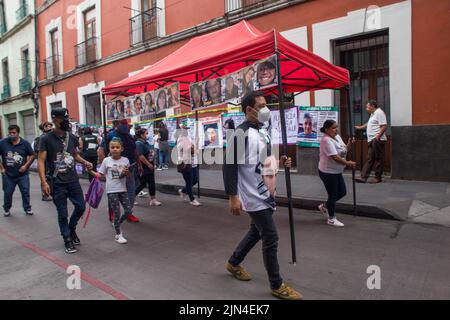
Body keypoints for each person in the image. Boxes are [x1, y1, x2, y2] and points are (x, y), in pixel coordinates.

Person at [223, 92, 302, 300]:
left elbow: (263, 157)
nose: (266, 108)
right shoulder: (240, 134)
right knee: (271, 237)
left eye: (266, 104)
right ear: (249, 109)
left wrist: (280, 160)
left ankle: (233, 262)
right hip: (252, 194)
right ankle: (276, 285)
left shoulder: (263, 129)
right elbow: (229, 166)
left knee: (256, 232)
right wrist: (233, 196)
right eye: (261, 105)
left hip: (267, 191)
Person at [38, 108, 93, 254]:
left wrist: (84, 162)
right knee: (62, 213)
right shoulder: (46, 139)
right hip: (57, 182)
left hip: (73, 180)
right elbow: (41, 161)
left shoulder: (72, 137)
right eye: (63, 119)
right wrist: (43, 182)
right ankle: (67, 238)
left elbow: (74, 154)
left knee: (81, 207)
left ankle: (72, 228)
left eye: (67, 118)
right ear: (55, 120)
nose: (66, 121)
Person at [93, 138, 132, 244]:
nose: (115, 149)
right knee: (117, 212)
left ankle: (117, 223)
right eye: (112, 147)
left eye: (117, 147)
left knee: (129, 211)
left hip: (123, 189)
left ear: (122, 149)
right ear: (109, 149)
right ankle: (118, 235)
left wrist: (127, 172)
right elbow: (100, 175)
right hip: (111, 190)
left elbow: (128, 176)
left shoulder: (126, 160)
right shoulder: (106, 161)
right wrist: (91, 171)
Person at [317, 120, 356, 227]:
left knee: (342, 192)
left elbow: (343, 150)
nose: (336, 129)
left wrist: (349, 143)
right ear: (327, 129)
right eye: (333, 128)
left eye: (336, 127)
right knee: (333, 195)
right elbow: (334, 157)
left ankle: (325, 206)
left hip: (337, 171)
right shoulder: (325, 140)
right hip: (328, 171)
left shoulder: (337, 137)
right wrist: (348, 163)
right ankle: (331, 218)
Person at [0, 125, 35, 217]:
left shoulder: (25, 143)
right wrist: (2, 169)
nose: (11, 135)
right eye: (10, 133)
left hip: (22, 174)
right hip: (8, 175)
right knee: (8, 193)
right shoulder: (3, 143)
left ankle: (27, 208)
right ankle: (7, 208)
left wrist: (26, 166)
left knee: (25, 191)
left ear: (18, 133)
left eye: (14, 133)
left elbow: (32, 155)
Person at [355, 100, 388, 184]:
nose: (366, 108)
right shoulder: (373, 114)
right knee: (370, 158)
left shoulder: (379, 112)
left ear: (372, 106)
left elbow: (384, 126)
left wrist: (377, 137)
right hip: (372, 140)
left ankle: (378, 177)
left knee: (378, 158)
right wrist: (360, 127)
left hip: (377, 139)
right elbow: (369, 123)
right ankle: (363, 177)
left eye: (367, 106)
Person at [135, 128, 162, 207]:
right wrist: (148, 164)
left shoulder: (146, 143)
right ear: (141, 135)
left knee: (151, 183)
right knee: (142, 184)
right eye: (146, 133)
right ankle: (132, 196)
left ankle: (153, 199)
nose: (148, 135)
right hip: (144, 167)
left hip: (150, 166)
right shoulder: (138, 143)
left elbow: (149, 153)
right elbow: (140, 156)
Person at [177, 126, 200, 206]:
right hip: (185, 163)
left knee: (195, 180)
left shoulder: (188, 138)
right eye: (184, 129)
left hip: (193, 162)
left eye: (186, 129)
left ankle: (183, 191)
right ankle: (192, 199)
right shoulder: (181, 139)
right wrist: (192, 149)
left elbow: (193, 149)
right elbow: (188, 150)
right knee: (189, 182)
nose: (186, 131)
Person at [34, 122, 54, 201]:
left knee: (51, 177)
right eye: (47, 126)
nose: (49, 128)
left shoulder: (53, 137)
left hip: (52, 161)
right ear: (43, 128)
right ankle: (45, 194)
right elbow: (36, 150)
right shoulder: (40, 138)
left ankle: (51, 192)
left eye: (50, 126)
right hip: (44, 161)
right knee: (44, 177)